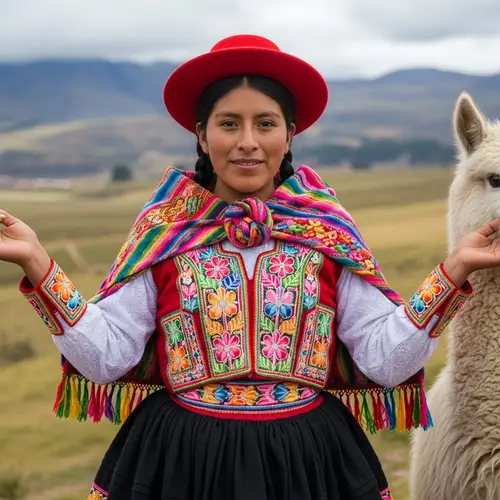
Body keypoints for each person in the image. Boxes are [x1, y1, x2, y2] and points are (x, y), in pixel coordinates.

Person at [1, 34, 499, 500]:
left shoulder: (326, 232)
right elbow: (105, 357)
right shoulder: (166, 231)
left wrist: (453, 272)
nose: (247, 141)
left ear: (289, 134)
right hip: (179, 462)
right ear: (202, 135)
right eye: (228, 123)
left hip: (307, 461)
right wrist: (37, 262)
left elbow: (385, 361)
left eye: (265, 123)